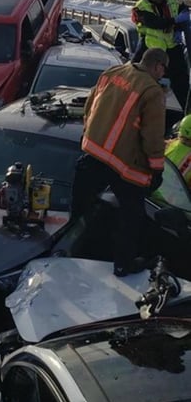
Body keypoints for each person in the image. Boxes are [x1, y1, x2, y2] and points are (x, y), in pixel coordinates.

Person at [71, 48, 168, 277]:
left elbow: (91, 106)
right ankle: (123, 264)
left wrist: (88, 134)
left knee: (80, 208)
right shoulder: (152, 91)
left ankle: (73, 250)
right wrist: (157, 169)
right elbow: (152, 136)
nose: (163, 74)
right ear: (157, 66)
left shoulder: (113, 72)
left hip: (93, 153)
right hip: (123, 164)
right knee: (131, 216)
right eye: (164, 69)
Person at [132, 0, 190, 112]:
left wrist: (184, 13)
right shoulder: (141, 7)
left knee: (182, 82)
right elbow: (155, 22)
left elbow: (180, 7)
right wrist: (175, 20)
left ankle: (188, 113)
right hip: (150, 47)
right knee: (137, 74)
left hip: (172, 47)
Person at [165, 114, 191, 189]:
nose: (185, 143)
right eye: (183, 138)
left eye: (188, 140)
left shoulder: (171, 143)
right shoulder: (170, 143)